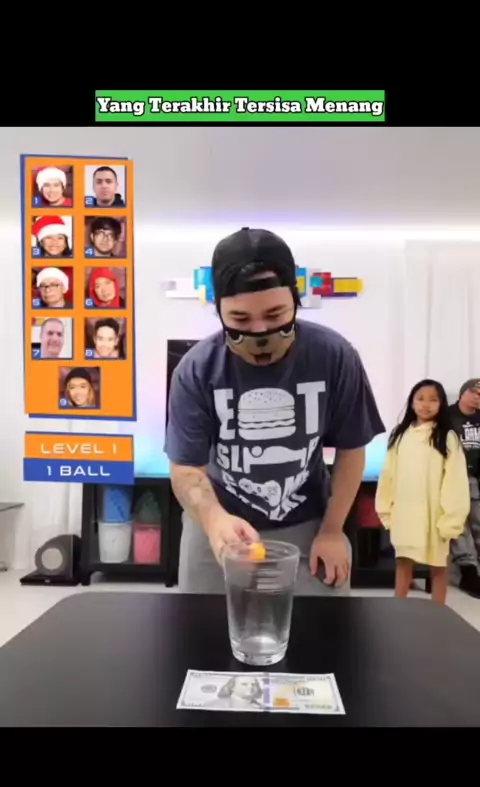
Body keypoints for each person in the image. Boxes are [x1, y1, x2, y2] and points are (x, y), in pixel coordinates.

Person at [165, 226, 385, 594]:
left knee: (325, 627)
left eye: (275, 313)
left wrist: (333, 530)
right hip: (217, 524)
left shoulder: (335, 357)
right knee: (202, 627)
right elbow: (186, 467)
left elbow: (352, 450)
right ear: (219, 310)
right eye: (240, 320)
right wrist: (214, 520)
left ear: (295, 300)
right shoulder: (196, 370)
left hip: (309, 523)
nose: (260, 331)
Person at [375, 379, 470, 605]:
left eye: (433, 400)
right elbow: (388, 475)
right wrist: (386, 510)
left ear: (441, 404)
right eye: (420, 399)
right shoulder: (400, 435)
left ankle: (438, 612)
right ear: (411, 402)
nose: (426, 405)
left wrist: (451, 519)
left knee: (438, 564)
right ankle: (399, 608)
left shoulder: (446, 437)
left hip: (434, 515)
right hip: (405, 514)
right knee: (403, 562)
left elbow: (455, 480)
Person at [449, 378, 480, 597]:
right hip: (453, 477)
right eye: (474, 392)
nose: (478, 397)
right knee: (458, 523)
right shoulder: (446, 416)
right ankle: (468, 571)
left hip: (476, 477)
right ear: (463, 393)